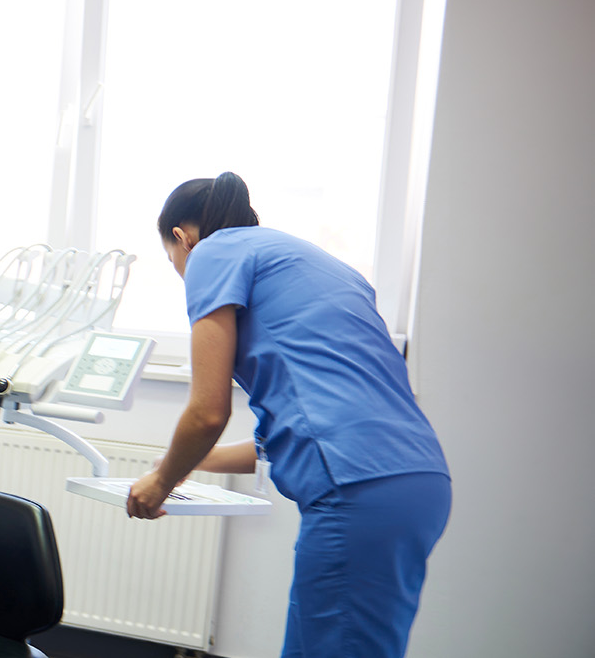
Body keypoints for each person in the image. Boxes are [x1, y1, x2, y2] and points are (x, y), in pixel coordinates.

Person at [126, 172, 450, 658]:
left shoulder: (212, 253)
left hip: (354, 488)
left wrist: (160, 484)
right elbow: (292, 434)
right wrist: (191, 463)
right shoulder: (323, 266)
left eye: (173, 261)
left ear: (181, 237)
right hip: (416, 482)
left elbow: (207, 411)